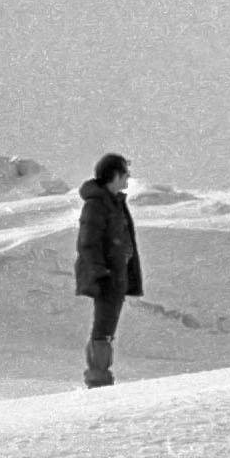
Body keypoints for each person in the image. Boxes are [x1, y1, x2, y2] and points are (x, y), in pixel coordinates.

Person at [74, 152, 141, 387]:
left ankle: (101, 375)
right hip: (107, 277)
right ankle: (98, 377)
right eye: (125, 174)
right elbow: (87, 243)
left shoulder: (114, 202)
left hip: (116, 276)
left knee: (108, 327)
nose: (128, 178)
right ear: (114, 175)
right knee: (102, 328)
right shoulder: (96, 205)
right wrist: (100, 273)